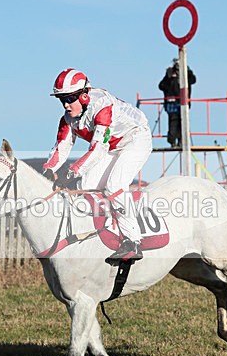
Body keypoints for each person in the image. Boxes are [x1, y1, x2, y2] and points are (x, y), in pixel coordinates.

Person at [43, 68, 152, 263]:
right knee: (87, 183)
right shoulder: (68, 119)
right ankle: (108, 227)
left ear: (84, 96)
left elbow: (98, 149)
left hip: (136, 139)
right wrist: (49, 170)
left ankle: (133, 241)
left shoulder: (102, 106)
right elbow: (61, 148)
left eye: (69, 99)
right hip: (113, 145)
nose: (66, 105)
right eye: (62, 100)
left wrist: (72, 170)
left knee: (115, 185)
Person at [158, 58, 196, 148]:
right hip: (172, 103)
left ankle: (181, 141)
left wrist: (188, 70)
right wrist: (169, 76)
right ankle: (173, 141)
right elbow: (162, 86)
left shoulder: (186, 74)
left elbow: (193, 80)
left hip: (183, 102)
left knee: (183, 122)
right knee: (173, 122)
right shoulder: (170, 74)